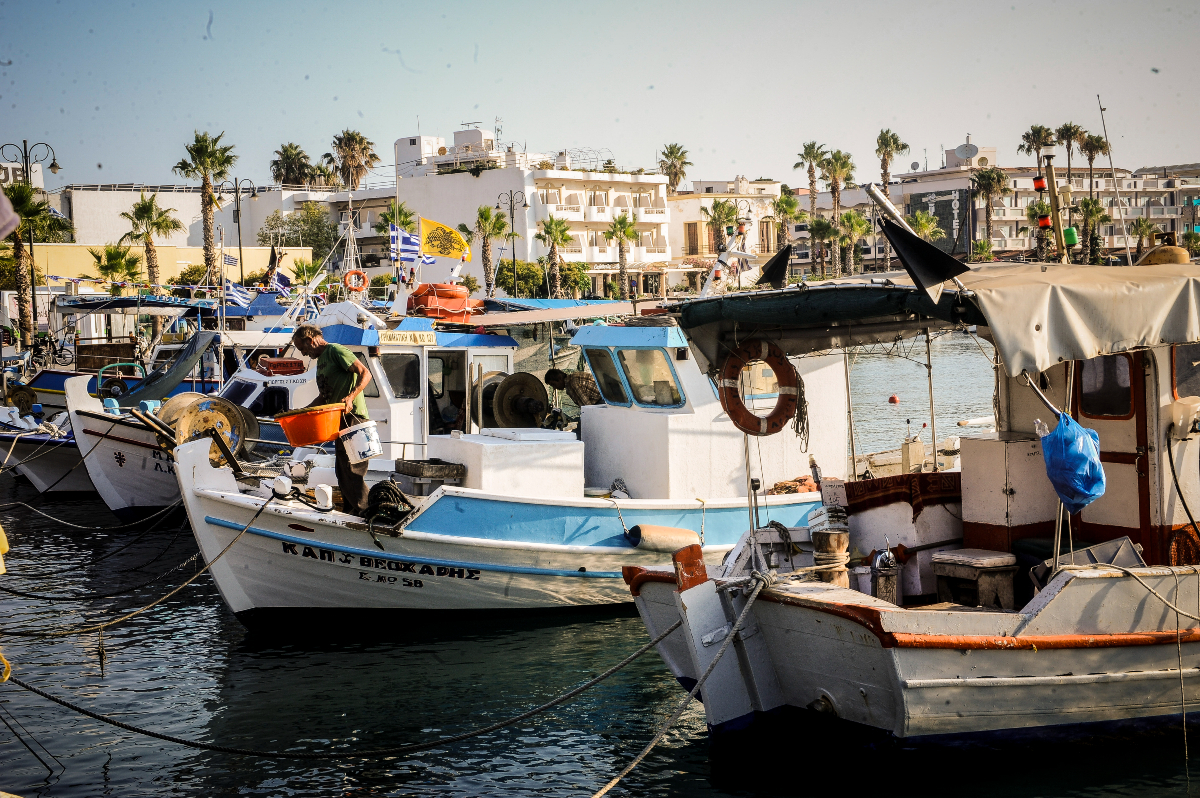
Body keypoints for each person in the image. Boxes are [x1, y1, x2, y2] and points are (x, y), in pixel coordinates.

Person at [290, 324, 373, 516]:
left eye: (303, 349)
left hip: (353, 417)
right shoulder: (321, 361)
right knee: (342, 469)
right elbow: (324, 396)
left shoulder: (335, 350)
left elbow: (365, 373)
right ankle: (351, 509)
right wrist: (304, 411)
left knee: (353, 468)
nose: (303, 353)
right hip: (338, 419)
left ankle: (364, 510)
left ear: (311, 340)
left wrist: (351, 397)